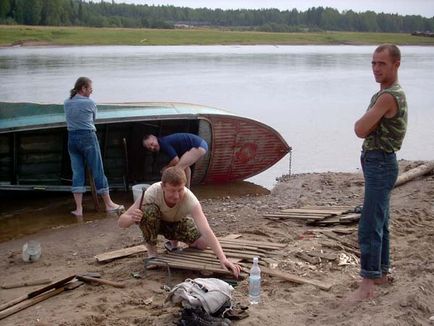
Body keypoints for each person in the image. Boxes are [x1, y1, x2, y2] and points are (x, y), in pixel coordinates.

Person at [350, 44, 408, 302]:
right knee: (380, 220)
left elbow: (360, 129)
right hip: (381, 161)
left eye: (381, 64)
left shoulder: (388, 96)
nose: (376, 68)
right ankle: (381, 273)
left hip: (381, 162)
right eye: (373, 63)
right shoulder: (387, 93)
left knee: (370, 223)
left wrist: (362, 121)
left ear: (396, 64)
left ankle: (368, 283)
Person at [118, 166, 241, 278]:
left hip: (176, 223)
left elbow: (206, 229)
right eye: (172, 190)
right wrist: (132, 218)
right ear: (163, 187)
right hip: (156, 222)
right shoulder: (151, 192)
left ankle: (173, 243)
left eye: (180, 190)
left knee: (202, 244)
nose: (176, 196)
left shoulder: (190, 199)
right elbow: (121, 222)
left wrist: (223, 258)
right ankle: (152, 253)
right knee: (149, 211)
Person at [64, 77, 124, 217]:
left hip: (72, 138)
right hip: (88, 137)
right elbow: (93, 119)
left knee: (77, 172)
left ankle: (79, 209)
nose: (91, 91)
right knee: (98, 169)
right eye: (90, 88)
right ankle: (109, 204)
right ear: (83, 88)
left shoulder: (67, 102)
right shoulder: (90, 103)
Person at [142, 133, 208, 188]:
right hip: (201, 144)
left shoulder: (163, 142)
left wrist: (166, 168)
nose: (152, 147)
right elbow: (180, 163)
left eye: (152, 144)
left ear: (155, 138)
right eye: (150, 148)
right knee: (185, 168)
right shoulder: (163, 142)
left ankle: (173, 189)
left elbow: (175, 160)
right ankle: (187, 190)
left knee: (176, 170)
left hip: (198, 146)